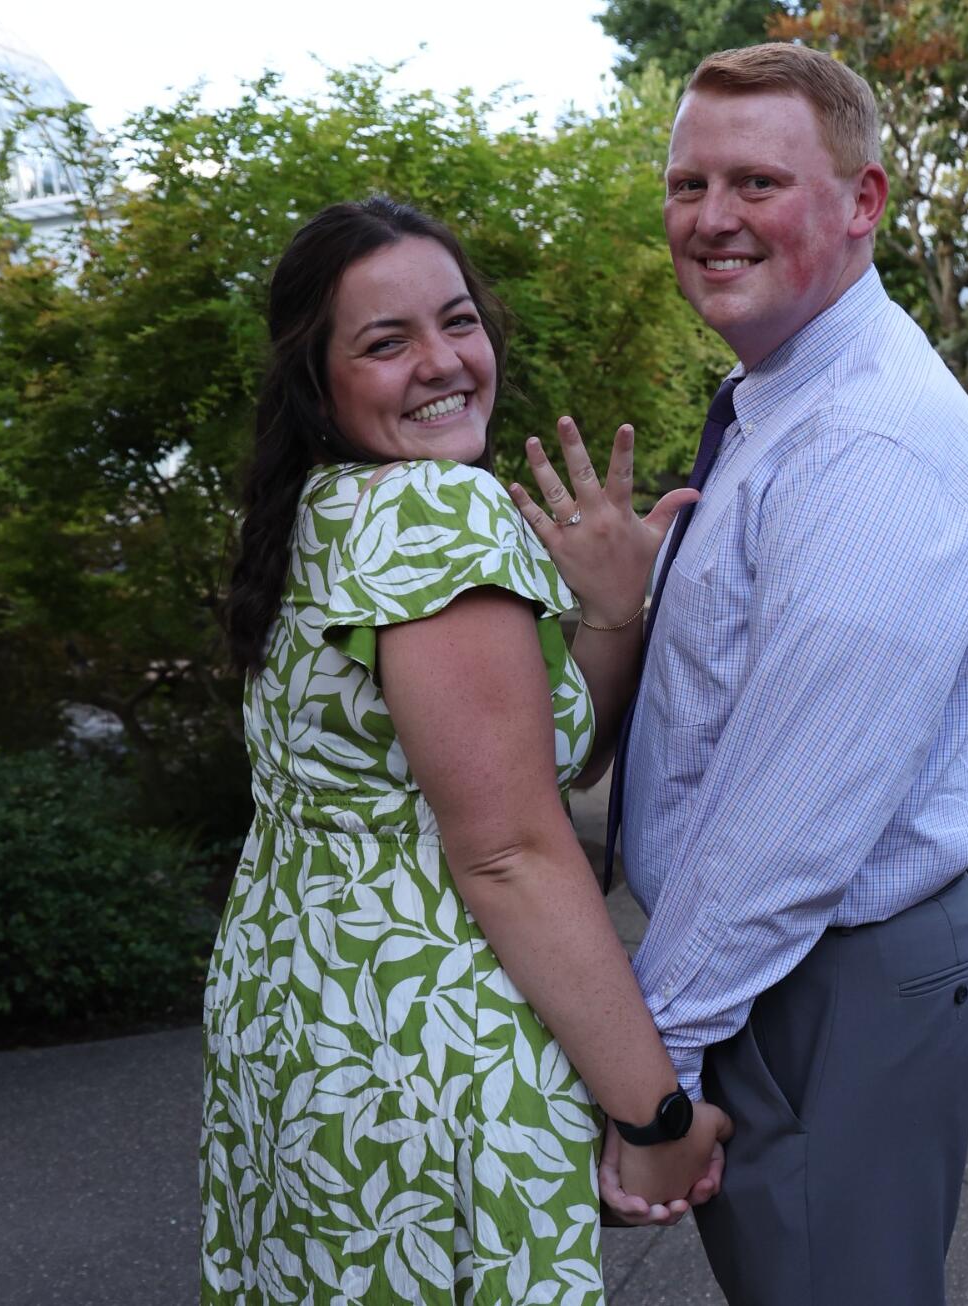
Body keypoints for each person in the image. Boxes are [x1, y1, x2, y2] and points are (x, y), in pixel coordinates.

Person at [510, 44, 968, 1306]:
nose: (710, 218)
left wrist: (653, 1076)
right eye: (688, 183)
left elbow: (785, 821)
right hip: (792, 970)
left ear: (861, 203)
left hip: (824, 981)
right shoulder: (782, 402)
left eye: (755, 181)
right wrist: (620, 606)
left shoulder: (866, 443)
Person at [201, 196, 731, 1305]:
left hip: (301, 1029)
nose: (442, 362)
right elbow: (509, 850)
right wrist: (656, 1115)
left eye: (458, 321)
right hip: (431, 1053)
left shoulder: (317, 511)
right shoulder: (435, 514)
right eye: (386, 341)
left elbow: (536, 762)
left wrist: (608, 609)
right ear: (319, 379)